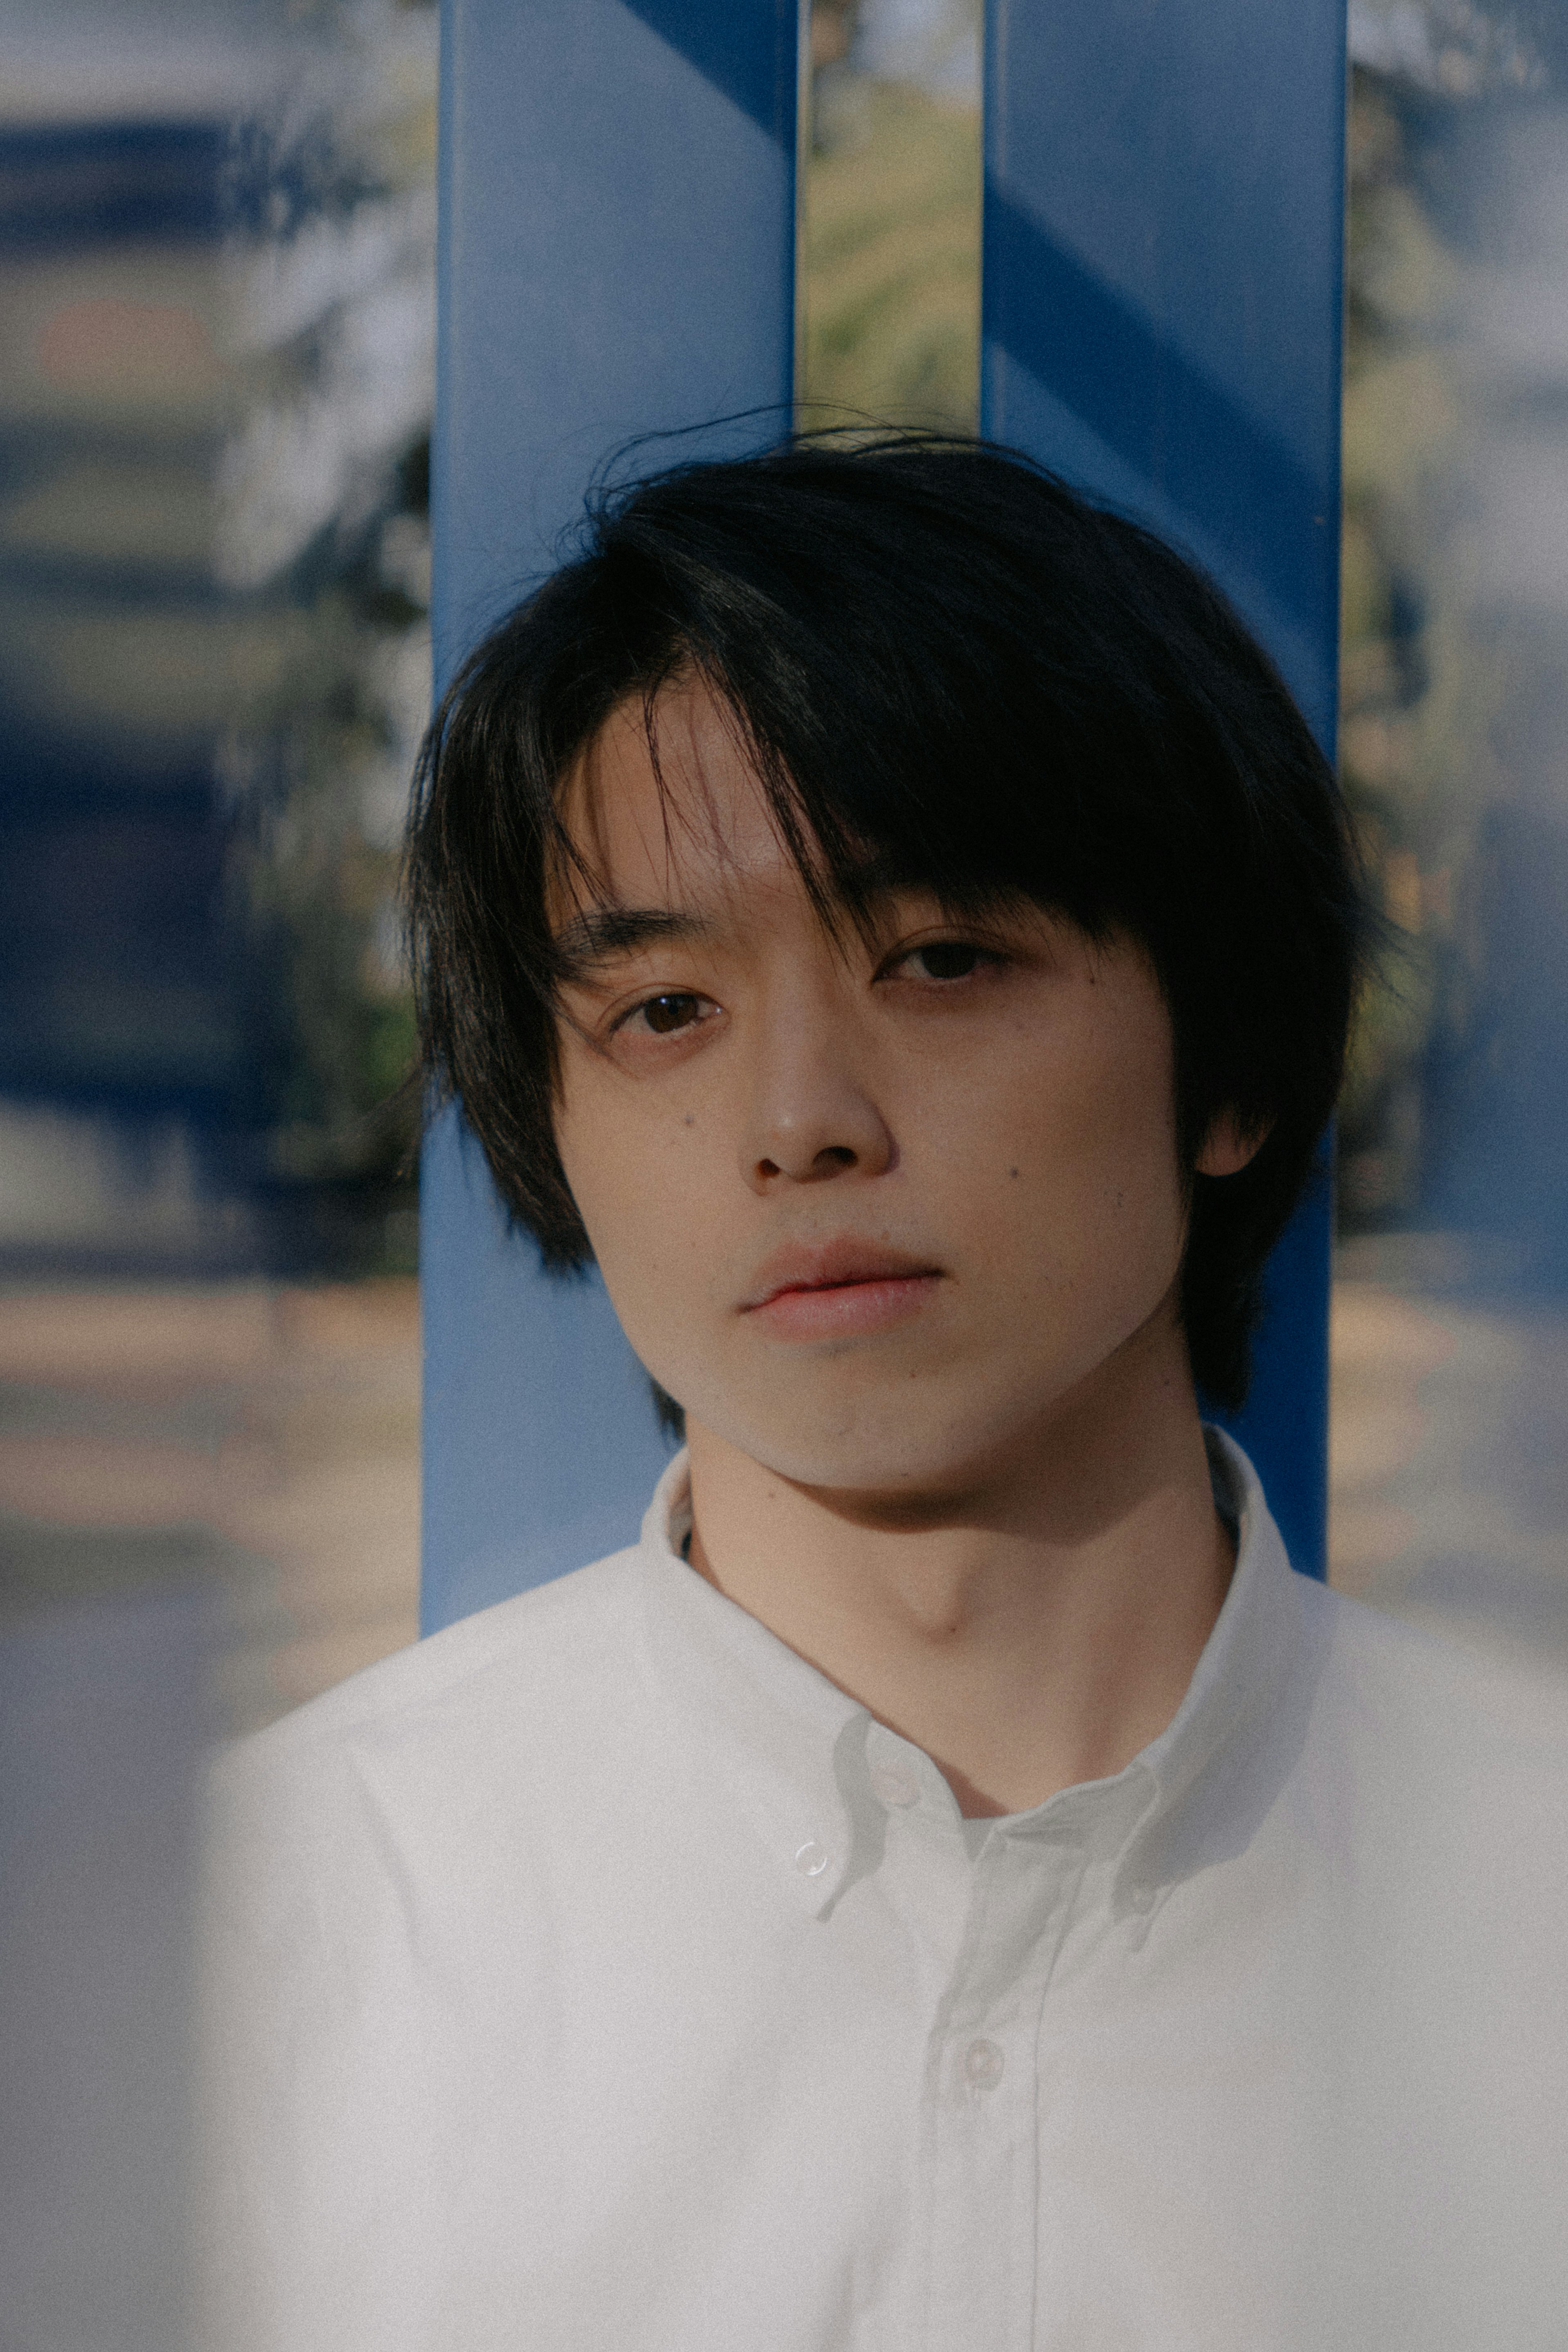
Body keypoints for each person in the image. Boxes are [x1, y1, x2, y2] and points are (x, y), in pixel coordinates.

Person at [198, 437, 1568, 2351]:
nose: (799, 1124)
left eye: (942, 957)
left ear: (1235, 1067)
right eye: (665, 1010)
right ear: (556, 1134)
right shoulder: (249, 1955)